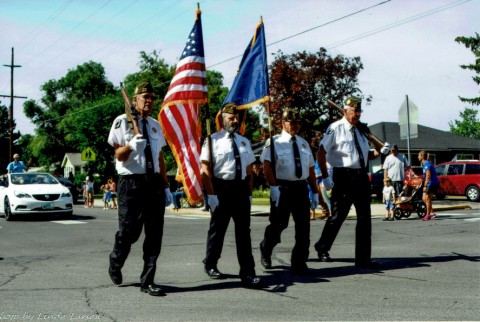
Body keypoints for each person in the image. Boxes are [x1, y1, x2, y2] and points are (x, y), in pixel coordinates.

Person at [107, 81, 173, 296]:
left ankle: (148, 280)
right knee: (129, 232)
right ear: (134, 100)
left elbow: (160, 157)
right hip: (131, 184)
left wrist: (165, 186)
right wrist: (131, 146)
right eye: (145, 97)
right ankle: (116, 262)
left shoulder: (154, 125)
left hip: (152, 183)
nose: (149, 101)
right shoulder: (122, 122)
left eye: (152, 97)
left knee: (155, 234)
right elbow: (118, 155)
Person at [314, 96, 387, 269]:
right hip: (343, 176)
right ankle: (322, 247)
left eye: (359, 112)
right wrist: (325, 177)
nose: (357, 115)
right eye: (354, 112)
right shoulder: (336, 128)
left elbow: (365, 156)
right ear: (345, 111)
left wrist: (379, 151)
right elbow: (321, 153)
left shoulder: (361, 131)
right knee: (338, 215)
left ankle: (363, 258)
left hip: (361, 176)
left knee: (364, 218)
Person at [200, 102, 261, 288]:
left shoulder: (244, 141)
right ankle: (210, 263)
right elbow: (206, 168)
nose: (234, 120)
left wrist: (249, 192)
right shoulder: (212, 140)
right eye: (230, 117)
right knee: (218, 230)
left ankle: (248, 272)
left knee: (244, 233)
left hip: (241, 190)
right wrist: (211, 194)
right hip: (222, 189)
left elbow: (250, 169)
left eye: (236, 118)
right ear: (222, 120)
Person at [259, 108, 320, 275]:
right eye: (291, 122)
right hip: (282, 188)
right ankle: (266, 247)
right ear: (283, 123)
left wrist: (315, 191)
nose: (295, 126)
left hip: (300, 188)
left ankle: (299, 262)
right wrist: (272, 187)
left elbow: (310, 169)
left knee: (303, 227)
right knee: (280, 224)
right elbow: (266, 166)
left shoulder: (303, 143)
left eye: (298, 122)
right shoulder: (274, 142)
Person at [418, 150, 439, 221]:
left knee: (428, 199)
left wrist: (425, 185)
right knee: (424, 198)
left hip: (432, 183)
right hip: (429, 182)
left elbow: (428, 175)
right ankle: (432, 212)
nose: (418, 157)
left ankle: (428, 215)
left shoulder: (427, 164)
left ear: (422, 156)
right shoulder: (424, 164)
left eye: (419, 155)